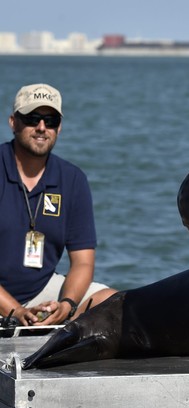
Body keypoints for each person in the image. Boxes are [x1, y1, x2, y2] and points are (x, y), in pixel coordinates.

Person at [0, 83, 116, 327]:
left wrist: (66, 305)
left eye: (50, 120)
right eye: (32, 118)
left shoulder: (73, 179)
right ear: (13, 122)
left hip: (41, 292)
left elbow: (83, 261)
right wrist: (16, 311)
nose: (42, 128)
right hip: (6, 302)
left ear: (59, 127)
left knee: (114, 302)